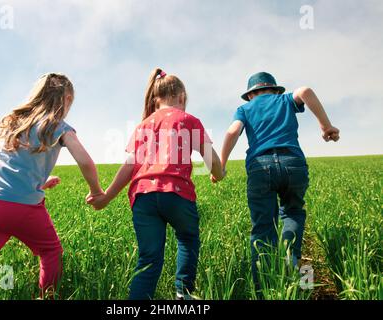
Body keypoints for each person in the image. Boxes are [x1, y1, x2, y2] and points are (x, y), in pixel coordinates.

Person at [0, 73, 103, 300]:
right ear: (67, 98)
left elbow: (10, 164)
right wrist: (96, 190)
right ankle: (47, 297)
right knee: (50, 251)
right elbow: (84, 160)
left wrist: (39, 182)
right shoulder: (59, 126)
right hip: (21, 208)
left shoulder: (14, 123)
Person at [87, 68, 224, 300]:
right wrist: (218, 174)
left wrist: (107, 196)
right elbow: (211, 159)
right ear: (182, 97)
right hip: (177, 193)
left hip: (143, 197)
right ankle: (183, 293)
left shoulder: (142, 126)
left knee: (149, 257)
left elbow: (129, 166)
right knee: (187, 238)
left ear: (155, 98)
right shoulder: (188, 120)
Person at [216, 71, 340, 286]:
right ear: (274, 89)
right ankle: (296, 270)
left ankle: (263, 286)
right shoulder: (284, 100)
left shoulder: (244, 109)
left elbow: (232, 131)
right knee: (292, 212)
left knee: (263, 227)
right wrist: (325, 126)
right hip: (293, 163)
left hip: (259, 167)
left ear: (251, 95)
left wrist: (221, 165)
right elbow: (306, 91)